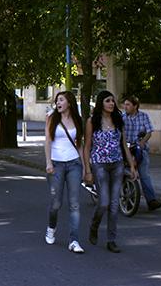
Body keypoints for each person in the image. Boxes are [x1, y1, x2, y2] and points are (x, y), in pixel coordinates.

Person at [84, 90, 137, 253]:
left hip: (117, 164)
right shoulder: (92, 121)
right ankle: (94, 225)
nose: (111, 104)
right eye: (108, 101)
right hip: (99, 165)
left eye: (113, 101)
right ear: (101, 103)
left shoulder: (119, 120)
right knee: (104, 203)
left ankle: (111, 240)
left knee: (114, 205)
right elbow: (86, 147)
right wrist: (88, 170)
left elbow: (124, 145)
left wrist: (132, 166)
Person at [44, 91, 85, 253]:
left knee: (74, 204)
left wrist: (85, 166)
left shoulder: (77, 119)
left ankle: (74, 240)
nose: (58, 103)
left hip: (74, 163)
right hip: (56, 163)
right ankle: (51, 227)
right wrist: (48, 162)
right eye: (57, 100)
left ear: (69, 102)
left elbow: (79, 144)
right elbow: (47, 141)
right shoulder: (51, 118)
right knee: (56, 203)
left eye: (61, 100)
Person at [123, 95, 161, 211]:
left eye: (128, 104)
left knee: (144, 175)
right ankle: (124, 196)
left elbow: (149, 131)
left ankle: (151, 200)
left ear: (135, 106)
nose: (125, 107)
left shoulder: (143, 116)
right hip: (126, 149)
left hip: (140, 149)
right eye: (125, 104)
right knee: (121, 173)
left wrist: (142, 142)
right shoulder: (122, 118)